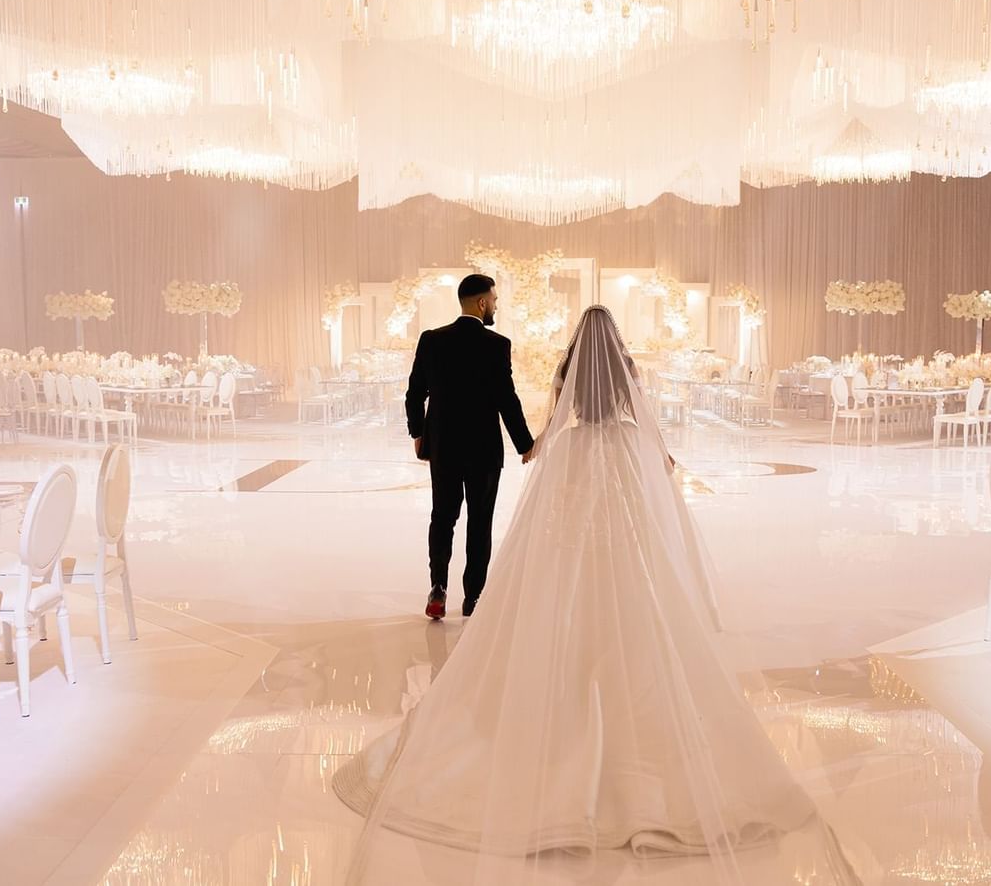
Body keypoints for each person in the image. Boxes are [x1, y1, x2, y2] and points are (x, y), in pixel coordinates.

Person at [336, 306, 858, 885]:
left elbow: (558, 421)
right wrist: (660, 458)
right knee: (632, 567)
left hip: (578, 458)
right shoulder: (628, 369)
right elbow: (647, 422)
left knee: (564, 563)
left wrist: (538, 450)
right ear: (615, 344)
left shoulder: (566, 370)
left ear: (579, 345)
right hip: (623, 458)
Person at [405, 273, 534, 620]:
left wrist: (418, 433)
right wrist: (525, 443)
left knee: (442, 518)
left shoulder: (431, 340)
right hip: (483, 451)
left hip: (444, 448)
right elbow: (506, 399)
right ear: (481, 303)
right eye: (494, 299)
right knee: (480, 523)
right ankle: (473, 597)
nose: (496, 305)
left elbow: (415, 393)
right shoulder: (496, 345)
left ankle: (438, 587)